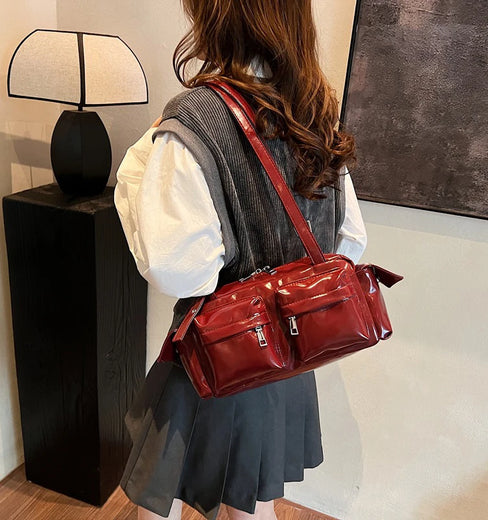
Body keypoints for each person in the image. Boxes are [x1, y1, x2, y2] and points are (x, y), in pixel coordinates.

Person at [113, 1, 367, 520]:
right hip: (289, 352)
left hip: (217, 352)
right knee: (249, 502)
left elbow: (178, 268)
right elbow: (349, 241)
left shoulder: (197, 116)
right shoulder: (314, 112)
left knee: (156, 495)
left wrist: (146, 152)